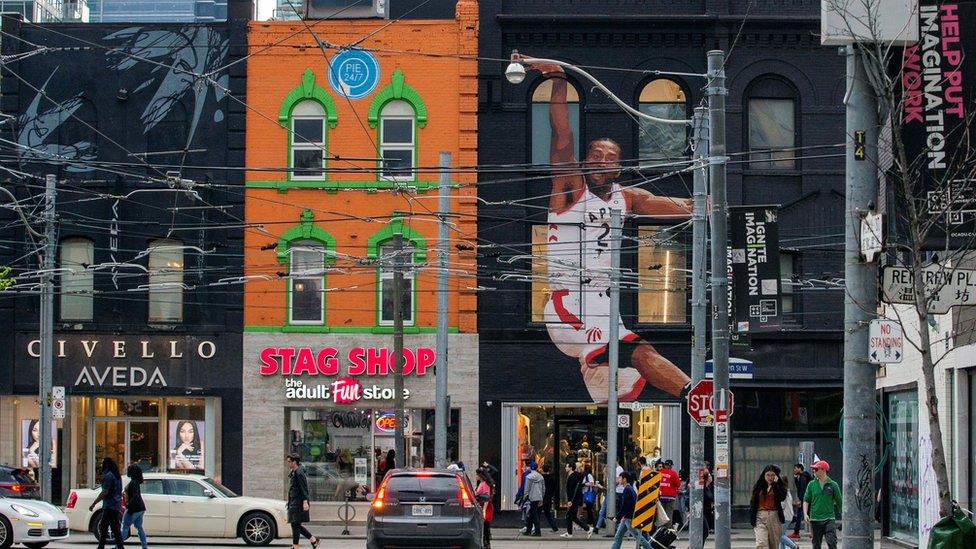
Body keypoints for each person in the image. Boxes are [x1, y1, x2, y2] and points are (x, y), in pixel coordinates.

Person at [529, 62, 692, 403]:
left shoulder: (627, 197)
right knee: (638, 353)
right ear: (586, 162)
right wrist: (559, 80)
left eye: (610, 157)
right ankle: (696, 395)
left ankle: (595, 371)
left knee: (628, 383)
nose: (602, 161)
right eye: (595, 155)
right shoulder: (570, 188)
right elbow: (562, 137)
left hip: (606, 303)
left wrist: (709, 205)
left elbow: (674, 205)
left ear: (618, 167)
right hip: (567, 302)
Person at [610, 472, 654, 549]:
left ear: (624, 479)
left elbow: (625, 507)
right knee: (618, 536)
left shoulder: (627, 490)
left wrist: (617, 517)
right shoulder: (630, 489)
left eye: (620, 478)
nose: (618, 479)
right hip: (626, 517)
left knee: (638, 537)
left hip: (629, 518)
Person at [803, 460, 841, 549]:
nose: (813, 471)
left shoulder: (833, 485)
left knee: (832, 542)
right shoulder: (811, 484)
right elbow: (806, 500)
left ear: (823, 470)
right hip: (815, 519)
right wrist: (805, 514)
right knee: (816, 544)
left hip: (829, 519)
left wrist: (844, 518)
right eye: (813, 469)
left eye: (816, 469)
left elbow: (840, 502)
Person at [88, 457, 125, 549]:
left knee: (112, 528)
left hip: (109, 506)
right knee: (107, 527)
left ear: (107, 465)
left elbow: (104, 492)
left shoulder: (109, 476)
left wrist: (94, 503)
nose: (101, 466)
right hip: (116, 505)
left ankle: (118, 547)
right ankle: (102, 546)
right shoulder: (117, 476)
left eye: (103, 464)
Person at [285, 453, 320, 549]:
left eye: (289, 462)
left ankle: (296, 546)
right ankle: (313, 540)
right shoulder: (294, 471)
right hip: (294, 501)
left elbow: (304, 488)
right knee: (295, 524)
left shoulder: (299, 473)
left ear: (294, 462)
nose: (288, 463)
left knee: (295, 523)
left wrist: (305, 501)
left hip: (298, 502)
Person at [749, 465, 787, 549]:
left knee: (773, 545)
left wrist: (775, 485)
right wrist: (752, 518)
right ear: (764, 475)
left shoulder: (779, 486)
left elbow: (781, 497)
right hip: (759, 516)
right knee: (761, 543)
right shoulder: (758, 486)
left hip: (774, 516)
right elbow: (753, 502)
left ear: (776, 476)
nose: (770, 477)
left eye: (772, 475)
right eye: (768, 475)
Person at [561, 463, 593, 537]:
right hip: (575, 499)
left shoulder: (572, 477)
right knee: (569, 516)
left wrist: (570, 500)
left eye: (566, 466)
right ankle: (569, 533)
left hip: (573, 500)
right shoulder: (574, 475)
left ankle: (588, 528)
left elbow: (573, 490)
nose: (565, 468)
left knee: (572, 517)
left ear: (570, 468)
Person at [121, 464, 148, 549]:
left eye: (128, 470)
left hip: (134, 508)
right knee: (139, 527)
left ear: (132, 472)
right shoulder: (136, 482)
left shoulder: (133, 482)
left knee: (125, 527)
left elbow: (135, 496)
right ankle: (144, 547)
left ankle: (118, 545)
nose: (127, 472)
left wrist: (129, 507)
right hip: (141, 508)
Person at [521, 462, 545, 536]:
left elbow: (526, 489)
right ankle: (528, 529)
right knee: (531, 514)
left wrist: (525, 497)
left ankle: (537, 531)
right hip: (538, 497)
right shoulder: (541, 477)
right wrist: (542, 498)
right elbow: (543, 488)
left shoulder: (528, 477)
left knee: (533, 514)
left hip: (531, 497)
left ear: (530, 468)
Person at [777, 468, 798, 549]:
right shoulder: (787, 491)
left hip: (784, 516)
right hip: (789, 515)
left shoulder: (783, 492)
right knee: (783, 534)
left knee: (779, 535)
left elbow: (782, 505)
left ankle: (793, 546)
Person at [790, 463, 813, 539]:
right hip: (806, 499)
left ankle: (797, 532)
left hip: (806, 500)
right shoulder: (802, 476)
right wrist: (795, 478)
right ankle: (797, 532)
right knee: (802, 515)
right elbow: (799, 487)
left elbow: (803, 489)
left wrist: (801, 500)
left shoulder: (803, 477)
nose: (794, 470)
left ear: (800, 469)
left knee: (808, 515)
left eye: (795, 468)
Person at [475, 468, 494, 549]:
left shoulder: (485, 484)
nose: (476, 476)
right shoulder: (482, 483)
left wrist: (484, 510)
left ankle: (487, 544)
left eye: (477, 475)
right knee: (483, 526)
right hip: (482, 506)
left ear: (480, 475)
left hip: (486, 507)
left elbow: (486, 497)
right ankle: (485, 543)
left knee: (485, 525)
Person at [659, 459, 680, 527]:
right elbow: (678, 484)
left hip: (661, 496)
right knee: (669, 514)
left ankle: (660, 530)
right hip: (670, 497)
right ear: (671, 466)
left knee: (661, 514)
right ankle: (668, 530)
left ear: (665, 465)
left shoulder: (660, 472)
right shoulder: (673, 473)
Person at [540, 463, 560, 532]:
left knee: (537, 513)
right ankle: (554, 527)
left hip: (541, 497)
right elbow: (555, 487)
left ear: (542, 469)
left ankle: (535, 527)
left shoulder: (541, 478)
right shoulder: (552, 477)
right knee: (547, 513)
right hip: (548, 497)